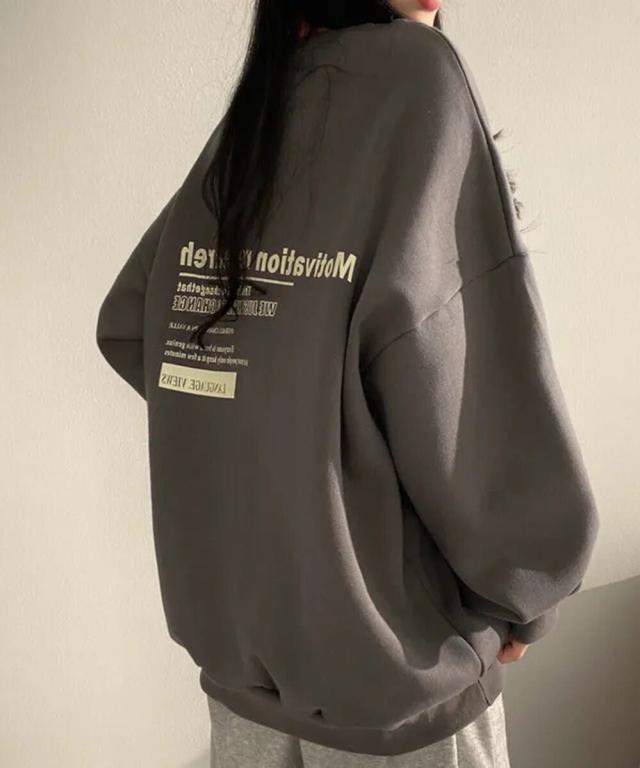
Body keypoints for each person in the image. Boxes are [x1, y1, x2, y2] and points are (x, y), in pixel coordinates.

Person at [95, 1, 600, 766]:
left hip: (244, 671)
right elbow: (467, 382)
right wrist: (525, 588)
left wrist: (297, 469)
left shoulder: (280, 88)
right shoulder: (420, 77)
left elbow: (138, 322)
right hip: (398, 680)